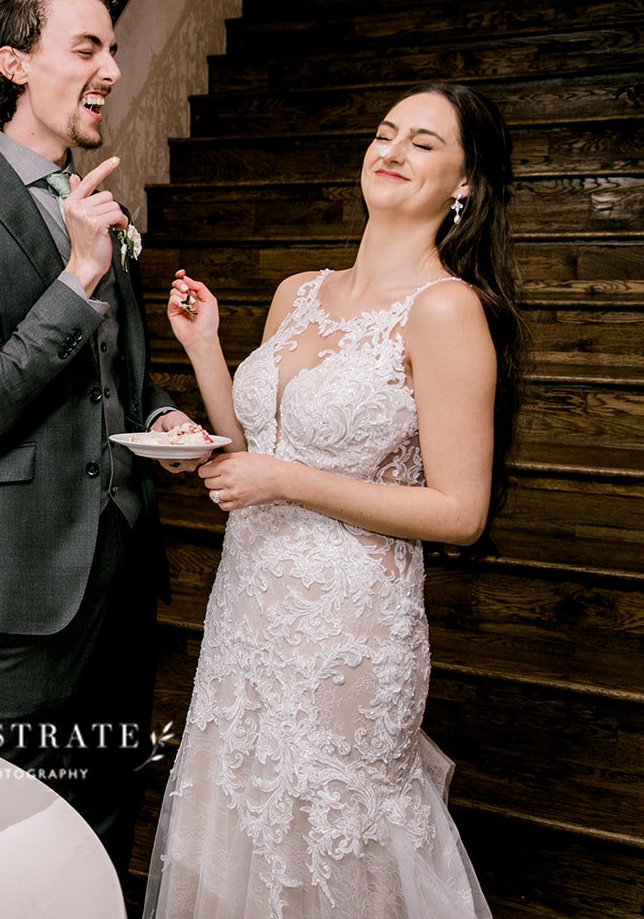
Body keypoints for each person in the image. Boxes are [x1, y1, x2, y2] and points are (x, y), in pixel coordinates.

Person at [144, 82, 524, 917]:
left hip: (349, 632)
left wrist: (282, 481)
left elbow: (461, 511)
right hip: (249, 605)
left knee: (330, 830)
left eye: (424, 142)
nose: (391, 150)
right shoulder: (296, 290)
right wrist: (206, 351)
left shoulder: (448, 310)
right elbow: (254, 461)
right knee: (239, 811)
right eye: (385, 133)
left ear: (466, 182)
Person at [0, 0, 198, 869]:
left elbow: (123, 380)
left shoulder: (105, 204)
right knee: (20, 824)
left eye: (113, 49)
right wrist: (78, 271)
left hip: (122, 556)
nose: (112, 66)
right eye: (88, 48)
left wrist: (169, 417)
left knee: (112, 803)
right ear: (14, 63)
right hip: (22, 572)